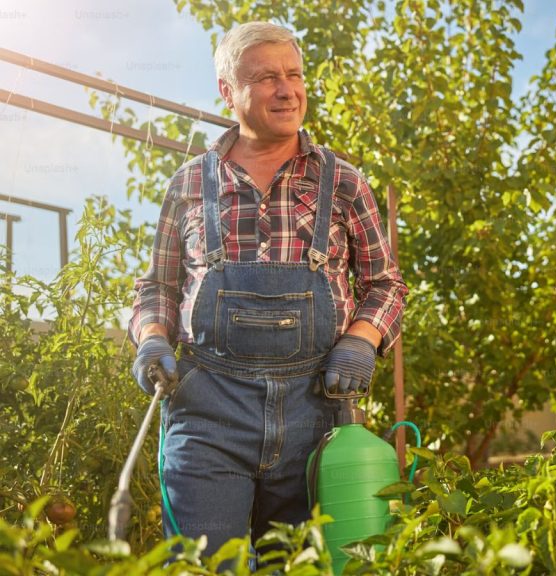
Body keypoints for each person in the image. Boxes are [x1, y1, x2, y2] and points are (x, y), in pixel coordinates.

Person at [128, 21, 408, 557]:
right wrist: (152, 339)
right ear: (228, 91)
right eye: (266, 77)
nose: (287, 89)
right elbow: (157, 287)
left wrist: (361, 340)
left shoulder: (343, 182)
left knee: (306, 566)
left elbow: (385, 284)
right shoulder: (189, 183)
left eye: (294, 74)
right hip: (209, 409)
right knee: (207, 566)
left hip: (320, 412)